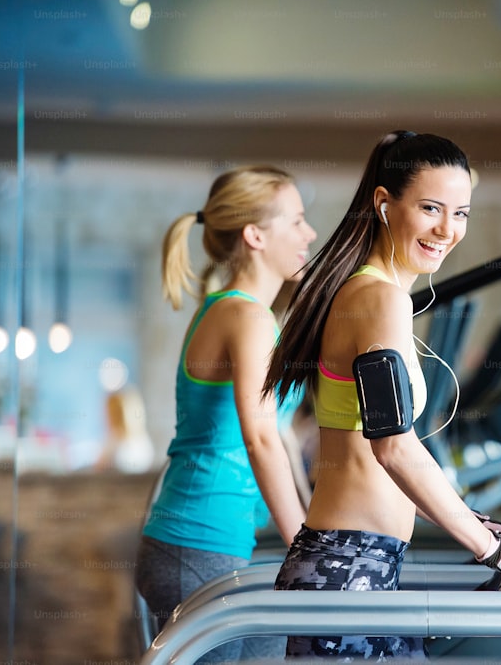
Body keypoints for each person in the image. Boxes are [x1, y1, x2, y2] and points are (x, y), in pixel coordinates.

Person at [264, 131, 501, 660]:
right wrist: (490, 548)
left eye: (461, 213)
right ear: (384, 204)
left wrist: (476, 523)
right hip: (347, 568)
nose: (448, 229)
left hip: (360, 563)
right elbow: (393, 447)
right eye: (431, 208)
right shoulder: (377, 299)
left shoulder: (371, 291)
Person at [135, 165, 317, 662]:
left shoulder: (245, 312)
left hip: (209, 543)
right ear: (255, 234)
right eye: (297, 221)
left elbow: (276, 434)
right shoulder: (245, 315)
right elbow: (258, 438)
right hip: (197, 543)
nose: (310, 234)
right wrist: (305, 548)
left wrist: (310, 529)